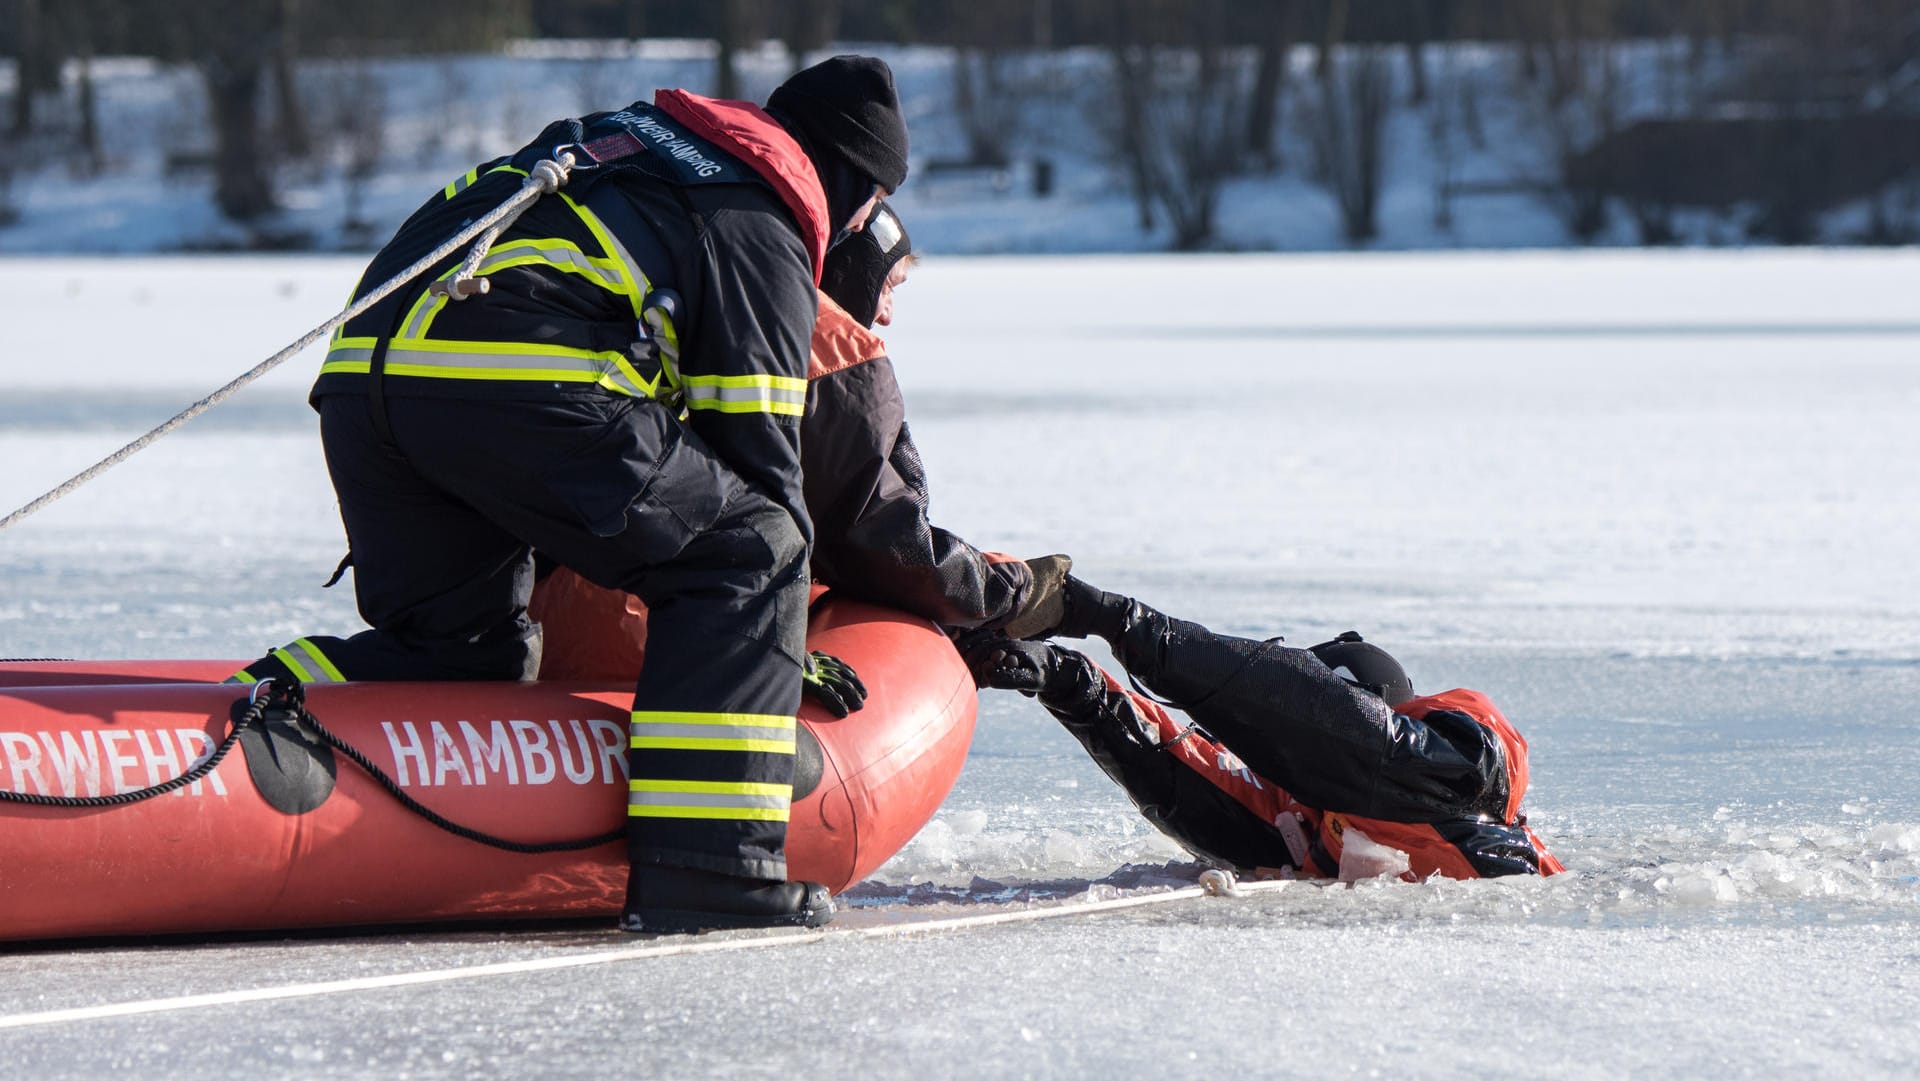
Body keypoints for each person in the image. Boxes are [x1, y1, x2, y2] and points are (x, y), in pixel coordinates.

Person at [231, 56, 919, 934]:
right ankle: (711, 868)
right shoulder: (758, 212)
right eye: (869, 203)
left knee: (462, 657)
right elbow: (762, 459)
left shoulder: (629, 142)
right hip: (517, 383)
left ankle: (260, 703)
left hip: (370, 382)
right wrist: (772, 638)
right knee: (757, 550)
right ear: (855, 184)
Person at [529, 199, 1070, 686]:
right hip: (649, 632)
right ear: (851, 270)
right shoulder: (824, 347)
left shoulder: (717, 307)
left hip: (564, 606)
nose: (887, 314)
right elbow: (883, 545)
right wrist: (1017, 591)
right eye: (888, 286)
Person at [959, 578, 1564, 881]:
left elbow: (1295, 708)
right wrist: (1069, 684)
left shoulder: (1463, 769)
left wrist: (1106, 617)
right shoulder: (1317, 820)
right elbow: (1190, 773)